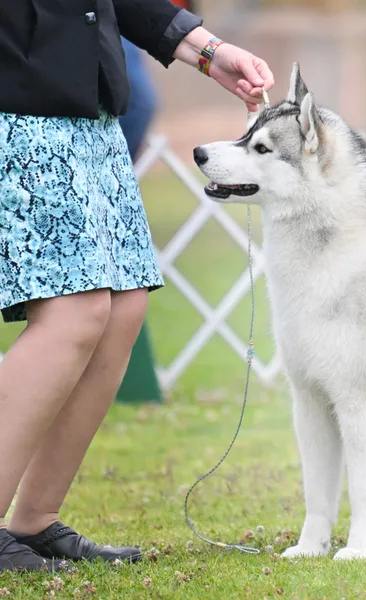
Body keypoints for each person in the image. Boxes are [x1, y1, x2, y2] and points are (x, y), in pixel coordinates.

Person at [0, 0, 273, 572]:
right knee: (73, 314)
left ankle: (35, 520)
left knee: (120, 310)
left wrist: (210, 53)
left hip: (92, 115)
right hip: (18, 110)